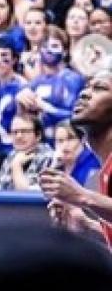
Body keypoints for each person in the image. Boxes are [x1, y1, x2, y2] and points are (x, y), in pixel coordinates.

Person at [43, 69, 112, 247]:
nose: (84, 93)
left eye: (100, 88)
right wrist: (88, 226)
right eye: (87, 87)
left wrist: (82, 197)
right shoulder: (106, 165)